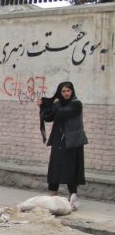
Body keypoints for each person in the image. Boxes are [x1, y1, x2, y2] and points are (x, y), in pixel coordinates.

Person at [39, 81, 87, 210]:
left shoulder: (76, 104)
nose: (66, 94)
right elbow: (49, 117)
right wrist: (43, 107)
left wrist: (50, 103)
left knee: (70, 170)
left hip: (72, 142)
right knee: (55, 168)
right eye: (63, 91)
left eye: (68, 91)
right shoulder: (59, 104)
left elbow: (61, 113)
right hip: (59, 141)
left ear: (72, 91)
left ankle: (72, 198)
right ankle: (52, 197)